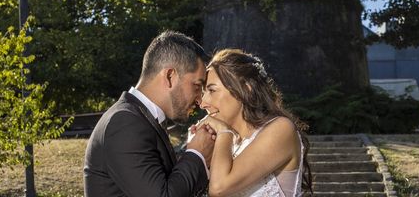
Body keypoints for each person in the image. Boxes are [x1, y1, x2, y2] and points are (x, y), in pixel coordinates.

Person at [84, 30, 216, 197]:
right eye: (197, 86)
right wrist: (196, 154)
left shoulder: (140, 119)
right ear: (170, 76)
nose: (199, 99)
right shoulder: (124, 122)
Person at [195, 49, 312, 197]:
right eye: (203, 93)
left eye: (212, 90)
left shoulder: (281, 129)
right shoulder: (227, 145)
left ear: (246, 88)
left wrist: (224, 132)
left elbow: (218, 188)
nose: (203, 103)